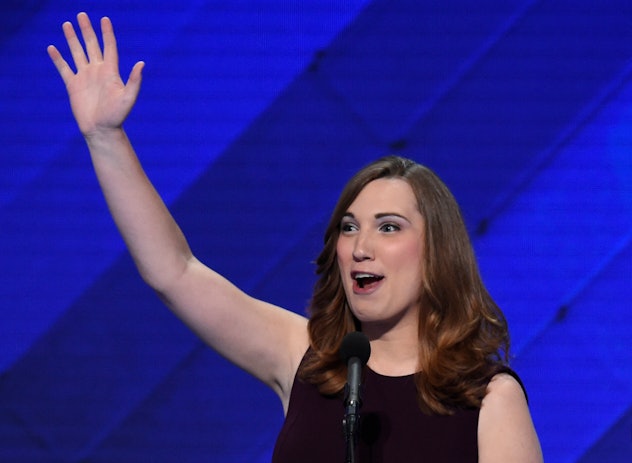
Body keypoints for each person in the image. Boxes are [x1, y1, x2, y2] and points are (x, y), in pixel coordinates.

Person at [47, 12, 543, 462]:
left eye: (388, 227)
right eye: (349, 227)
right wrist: (105, 138)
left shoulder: (489, 399)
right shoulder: (307, 358)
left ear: (439, 254)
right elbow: (174, 271)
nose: (360, 246)